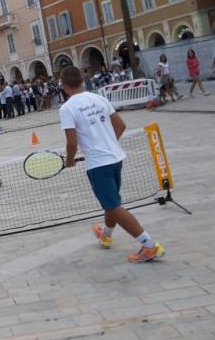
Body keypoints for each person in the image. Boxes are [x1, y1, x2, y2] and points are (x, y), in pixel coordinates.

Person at [59, 66, 165, 263]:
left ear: (64, 86)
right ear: (82, 80)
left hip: (98, 164)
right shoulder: (100, 98)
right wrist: (109, 143)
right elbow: (121, 125)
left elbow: (71, 143)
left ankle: (149, 245)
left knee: (113, 205)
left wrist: (70, 161)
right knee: (110, 202)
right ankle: (106, 235)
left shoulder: (67, 108)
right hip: (115, 159)